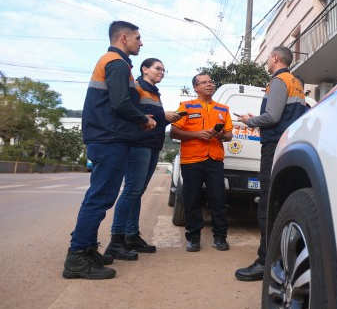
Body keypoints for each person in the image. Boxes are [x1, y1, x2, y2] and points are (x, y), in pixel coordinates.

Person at [63, 21, 156, 280]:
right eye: (138, 37)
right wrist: (144, 119)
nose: (141, 42)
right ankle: (78, 256)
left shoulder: (115, 62)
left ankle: (87, 249)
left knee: (100, 197)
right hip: (108, 138)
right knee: (100, 198)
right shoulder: (116, 63)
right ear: (124, 38)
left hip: (108, 137)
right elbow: (121, 103)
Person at [234, 46, 307, 281]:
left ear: (275, 58)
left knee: (267, 203)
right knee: (281, 202)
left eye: (268, 57)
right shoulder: (296, 83)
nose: (267, 61)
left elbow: (271, 117)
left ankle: (265, 261)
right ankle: (284, 259)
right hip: (288, 145)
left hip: (274, 144)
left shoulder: (279, 80)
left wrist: (249, 120)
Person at [105, 58, 181, 260]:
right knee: (131, 190)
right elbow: (134, 112)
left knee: (137, 192)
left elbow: (153, 118)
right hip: (138, 144)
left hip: (152, 144)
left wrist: (165, 117)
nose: (161, 72)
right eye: (158, 68)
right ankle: (116, 240)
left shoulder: (155, 92)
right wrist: (163, 114)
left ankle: (131, 236)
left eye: (164, 70)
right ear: (144, 69)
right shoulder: (137, 86)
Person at [170, 74, 233, 252]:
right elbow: (174, 132)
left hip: (214, 160)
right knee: (192, 199)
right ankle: (193, 237)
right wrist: (197, 134)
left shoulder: (223, 109)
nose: (209, 85)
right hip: (192, 159)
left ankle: (220, 237)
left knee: (219, 199)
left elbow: (229, 135)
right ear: (196, 88)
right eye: (204, 82)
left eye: (211, 82)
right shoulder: (186, 107)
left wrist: (219, 134)